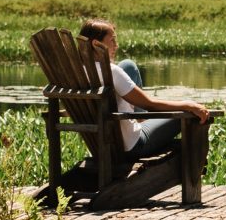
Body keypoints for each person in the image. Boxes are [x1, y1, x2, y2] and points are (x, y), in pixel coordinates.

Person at [79, 16, 212, 176]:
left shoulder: (75, 73)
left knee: (128, 65)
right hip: (131, 146)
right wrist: (188, 105)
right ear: (95, 44)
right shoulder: (111, 72)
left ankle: (142, 121)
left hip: (100, 144)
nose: (117, 45)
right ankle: (194, 174)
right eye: (112, 41)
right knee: (191, 115)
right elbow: (150, 104)